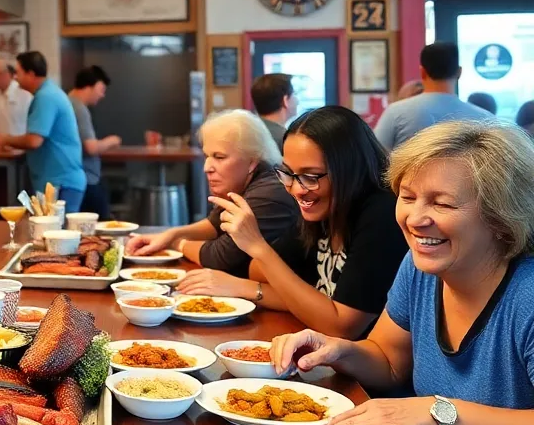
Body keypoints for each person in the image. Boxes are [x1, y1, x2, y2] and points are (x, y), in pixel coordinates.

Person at [268, 121, 534, 425]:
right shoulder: (422, 265)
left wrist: (437, 413)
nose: (415, 219)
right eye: (407, 197)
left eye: (441, 203)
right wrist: (340, 350)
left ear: (501, 216)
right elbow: (390, 360)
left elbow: (434, 413)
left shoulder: (526, 294)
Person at [200, 106, 408, 338]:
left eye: (310, 176)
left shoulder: (383, 215)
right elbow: (258, 271)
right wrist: (248, 286)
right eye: (288, 173)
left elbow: (342, 327)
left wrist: (257, 247)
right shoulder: (324, 209)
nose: (297, 189)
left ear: (348, 169)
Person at [126, 110, 300, 278]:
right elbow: (214, 223)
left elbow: (219, 257)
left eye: (219, 157)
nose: (207, 167)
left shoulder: (269, 193)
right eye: (207, 156)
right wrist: (171, 234)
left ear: (252, 161)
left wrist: (177, 243)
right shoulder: (248, 181)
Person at [0, 51, 85, 209]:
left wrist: (4, 139)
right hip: (57, 180)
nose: (15, 77)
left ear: (31, 74)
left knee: (58, 233)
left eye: (18, 73)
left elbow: (34, 140)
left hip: (60, 182)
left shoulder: (46, 97)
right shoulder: (49, 93)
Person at [373, 42, 491, 151]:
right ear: (459, 72)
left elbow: (375, 155)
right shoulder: (484, 118)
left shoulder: (396, 112)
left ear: (422, 72)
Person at [68, 66, 121, 219]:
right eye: (101, 89)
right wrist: (112, 141)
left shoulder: (67, 102)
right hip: (87, 179)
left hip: (75, 177)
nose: (102, 95)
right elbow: (91, 147)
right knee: (101, 225)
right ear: (89, 86)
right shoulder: (79, 108)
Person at [250, 73, 297, 151]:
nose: (297, 101)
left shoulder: (247, 131)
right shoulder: (286, 140)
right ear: (285, 101)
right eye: (294, 94)